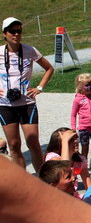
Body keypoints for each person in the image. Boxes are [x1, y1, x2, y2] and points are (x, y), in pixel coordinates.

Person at [0, 17, 54, 171]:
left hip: (27, 104)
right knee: (14, 145)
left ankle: (42, 180)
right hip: (5, 105)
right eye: (12, 31)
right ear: (5, 33)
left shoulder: (30, 50)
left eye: (19, 31)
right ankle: (23, 181)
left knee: (33, 143)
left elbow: (49, 68)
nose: (16, 34)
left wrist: (40, 88)